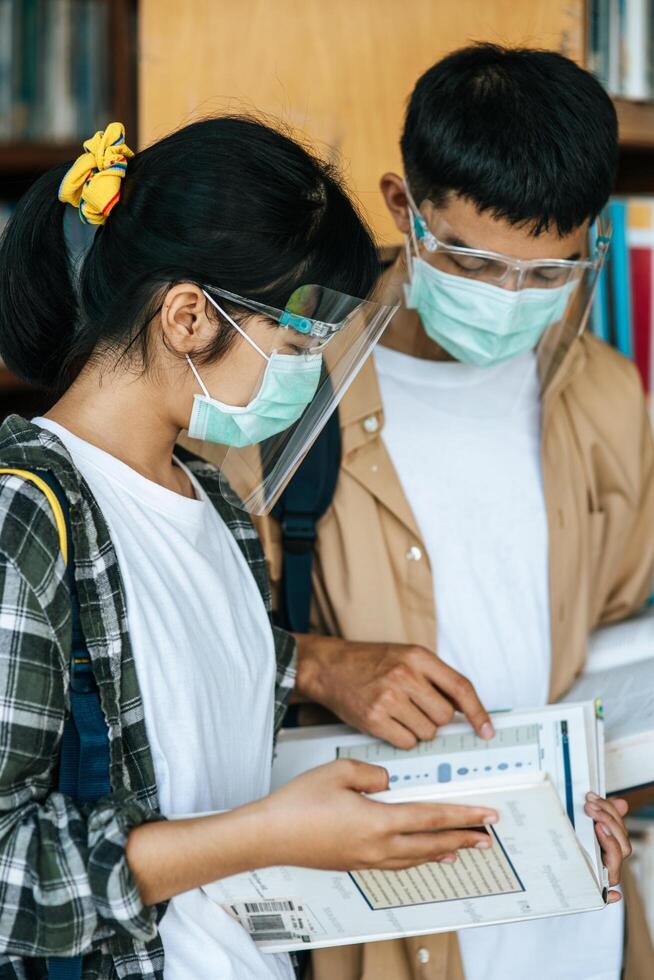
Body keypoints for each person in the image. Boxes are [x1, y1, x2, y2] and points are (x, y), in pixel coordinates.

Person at [0, 117, 504, 980]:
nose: (308, 372)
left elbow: (183, 705)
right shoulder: (26, 519)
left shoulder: (217, 504)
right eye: (300, 341)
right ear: (189, 317)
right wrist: (267, 834)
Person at [216, 46, 653, 980]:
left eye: (548, 275)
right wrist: (320, 666)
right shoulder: (284, 397)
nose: (506, 301)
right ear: (402, 207)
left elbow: (622, 640)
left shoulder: (609, 400)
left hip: (575, 916)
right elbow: (176, 661)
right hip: (383, 929)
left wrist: (615, 773)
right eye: (472, 260)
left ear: (594, 247)